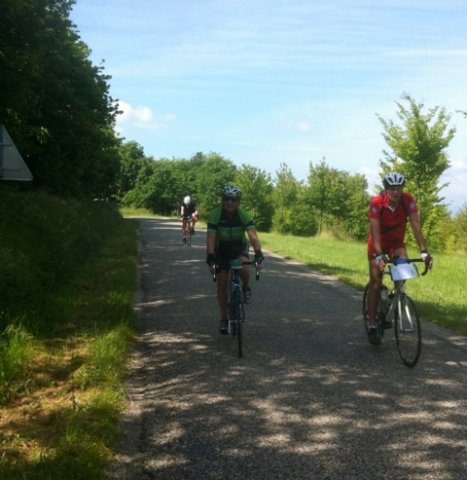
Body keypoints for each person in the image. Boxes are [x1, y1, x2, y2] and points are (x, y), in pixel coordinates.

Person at [366, 172, 433, 344]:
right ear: (386, 189)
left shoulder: (407, 200)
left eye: (399, 189)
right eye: (392, 189)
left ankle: (394, 299)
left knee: (402, 271)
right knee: (375, 283)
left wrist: (424, 251)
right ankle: (372, 324)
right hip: (378, 244)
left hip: (396, 243)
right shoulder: (376, 203)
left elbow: (416, 226)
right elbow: (374, 229)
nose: (396, 192)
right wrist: (379, 253)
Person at [206, 186, 264, 334]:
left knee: (244, 267)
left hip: (238, 248)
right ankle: (224, 319)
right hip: (221, 250)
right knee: (222, 282)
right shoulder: (215, 215)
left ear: (238, 202)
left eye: (233, 200)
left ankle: (245, 287)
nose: (230, 202)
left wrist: (258, 254)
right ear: (222, 200)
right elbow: (211, 240)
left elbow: (253, 237)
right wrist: (211, 257)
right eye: (227, 199)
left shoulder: (243, 214)